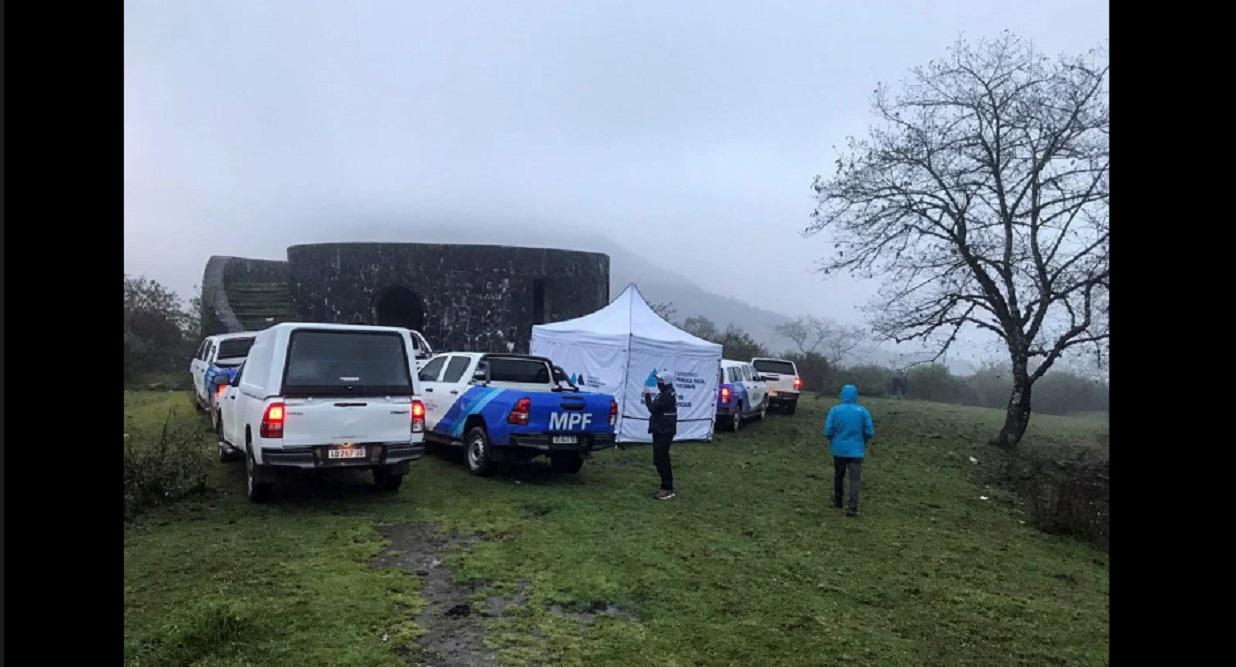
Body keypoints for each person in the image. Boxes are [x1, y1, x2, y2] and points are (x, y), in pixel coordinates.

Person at [823, 384, 875, 517]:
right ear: (855, 395)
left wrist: (832, 439)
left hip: (839, 449)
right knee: (855, 479)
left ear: (842, 395)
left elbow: (828, 431)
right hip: (856, 450)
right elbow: (869, 431)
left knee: (838, 475)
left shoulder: (835, 411)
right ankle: (853, 507)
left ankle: (838, 500)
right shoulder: (863, 411)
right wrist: (863, 439)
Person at [643, 369, 678, 500]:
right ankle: (666, 486)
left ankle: (667, 488)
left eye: (660, 381)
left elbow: (653, 408)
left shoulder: (667, 395)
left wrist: (647, 395)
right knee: (659, 459)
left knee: (661, 459)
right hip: (661, 429)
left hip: (664, 431)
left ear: (666, 382)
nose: (658, 383)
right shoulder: (665, 393)